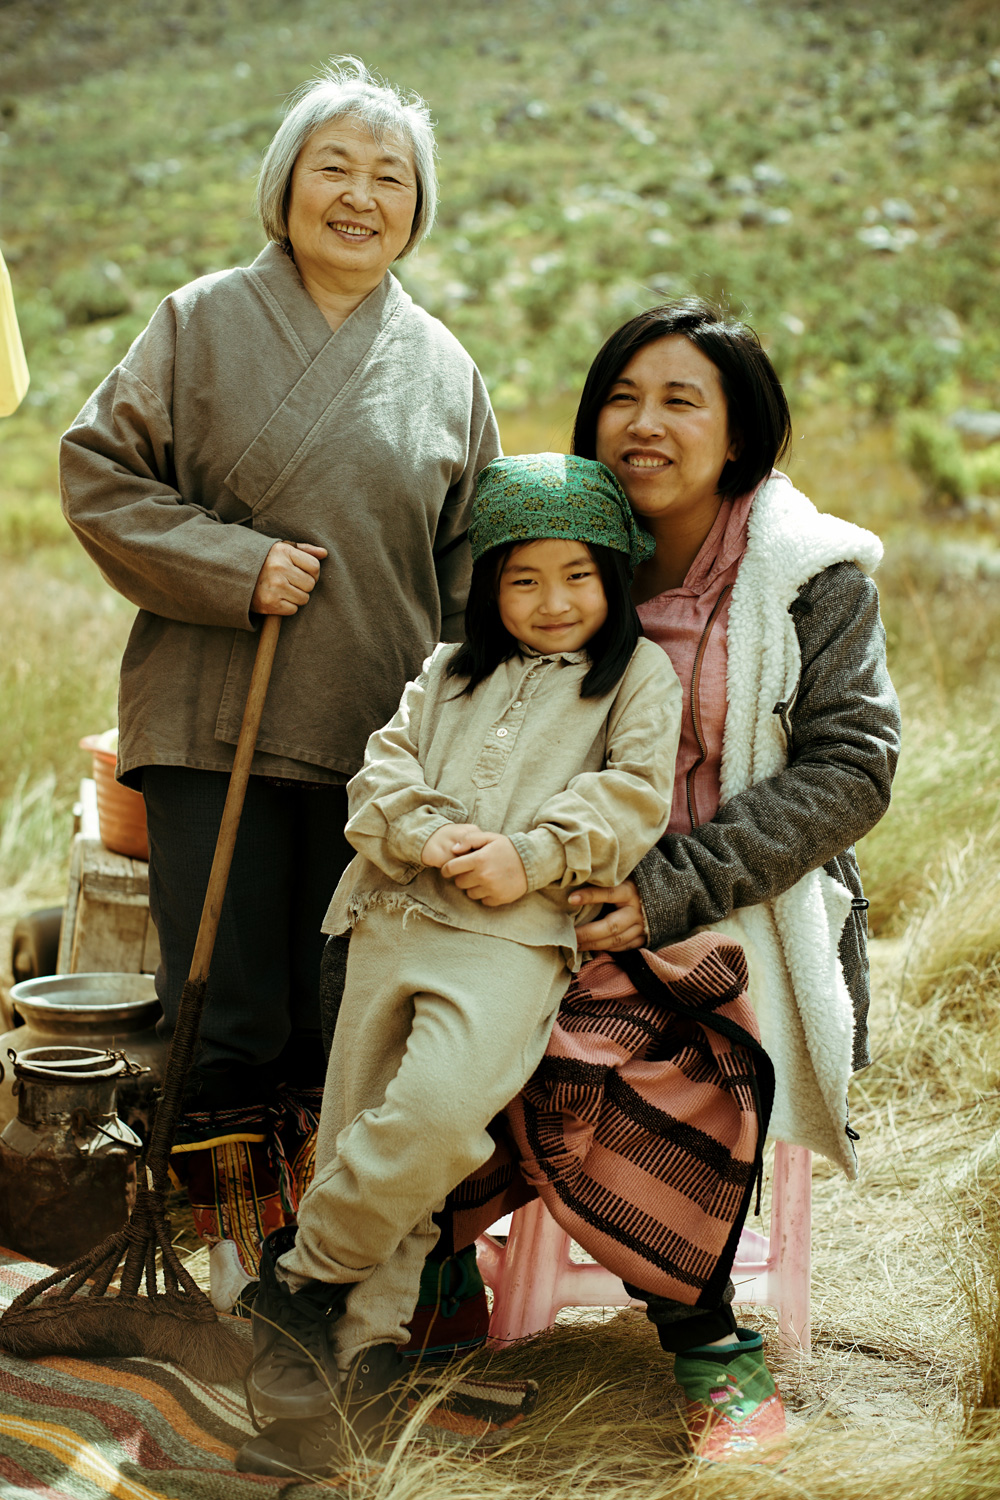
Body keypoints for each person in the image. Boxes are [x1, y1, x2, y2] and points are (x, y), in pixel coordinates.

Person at [59, 58, 500, 1313]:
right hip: (216, 725)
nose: (359, 197)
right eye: (333, 169)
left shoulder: (445, 368)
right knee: (228, 1015)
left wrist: (465, 742)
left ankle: (313, 1283)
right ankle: (212, 1275)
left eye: (389, 178)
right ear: (284, 186)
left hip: (379, 749)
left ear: (417, 208)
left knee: (342, 1022)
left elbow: (470, 580)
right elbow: (97, 475)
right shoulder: (198, 322)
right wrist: (234, 564)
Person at [235, 452, 684, 1477]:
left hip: (512, 939)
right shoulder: (444, 671)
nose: (553, 601)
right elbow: (378, 775)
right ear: (489, 587)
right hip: (388, 912)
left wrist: (530, 856)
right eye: (524, 579)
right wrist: (430, 834)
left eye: (578, 575)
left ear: (614, 577)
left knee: (435, 1117)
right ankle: (356, 1363)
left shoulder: (637, 678)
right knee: (362, 1123)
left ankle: (297, 1278)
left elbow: (631, 799)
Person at [551, 298, 901, 1460]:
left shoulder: (808, 576)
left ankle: (706, 1336)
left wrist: (665, 891)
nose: (641, 425)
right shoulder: (559, 553)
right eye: (620, 398)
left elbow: (852, 767)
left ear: (738, 432)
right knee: (424, 1000)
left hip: (734, 906)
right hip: (559, 884)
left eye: (678, 401)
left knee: (613, 1045)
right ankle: (428, 1269)